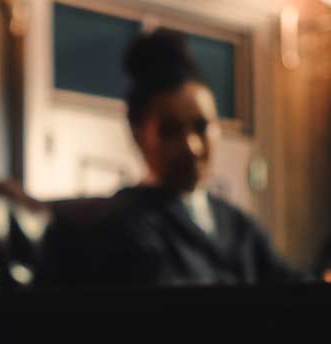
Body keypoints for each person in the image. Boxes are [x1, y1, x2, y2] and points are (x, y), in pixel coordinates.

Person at [39, 29, 302, 287]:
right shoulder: (121, 226)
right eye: (170, 131)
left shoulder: (236, 224)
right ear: (138, 134)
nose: (192, 147)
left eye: (201, 126)